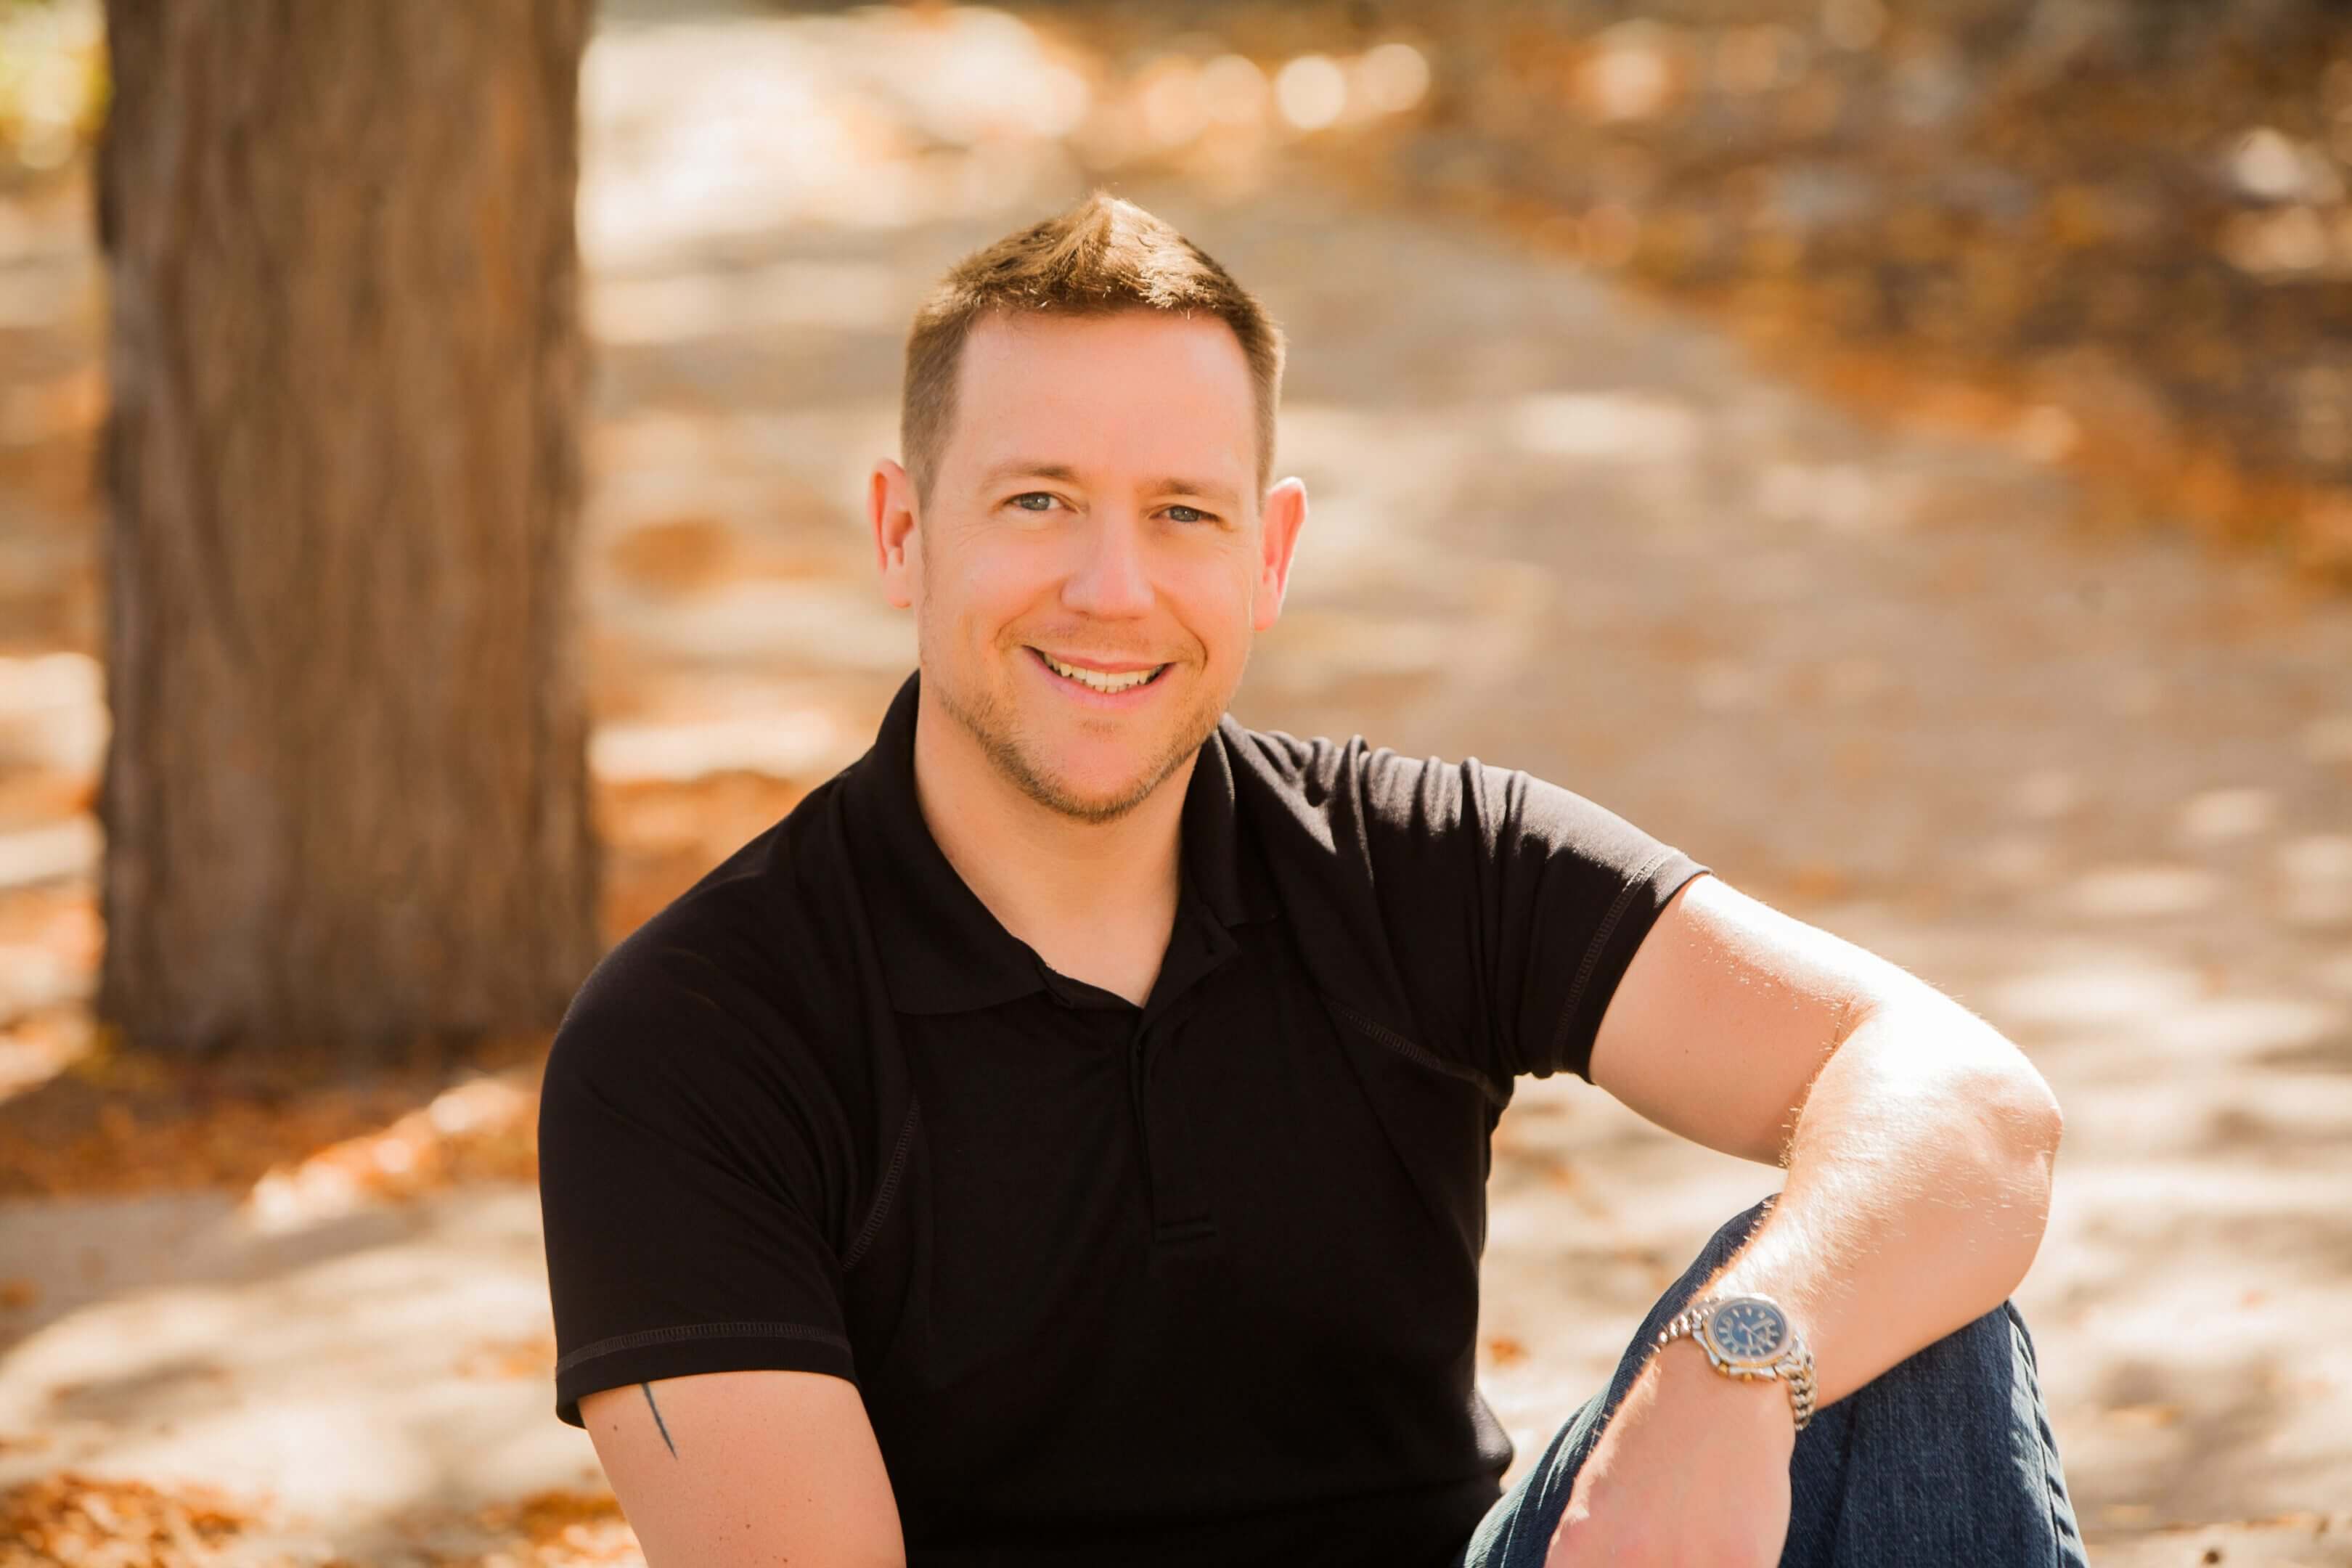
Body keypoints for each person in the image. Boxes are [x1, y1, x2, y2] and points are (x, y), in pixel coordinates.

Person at [535, 191, 2089, 1568]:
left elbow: (1970, 1103)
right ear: (902, 534)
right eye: (1038, 500)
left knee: (1889, 1326)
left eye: (1182, 515)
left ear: (1268, 558)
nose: (1112, 588)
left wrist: (1732, 1366)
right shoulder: (690, 1045)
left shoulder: (1420, 863)